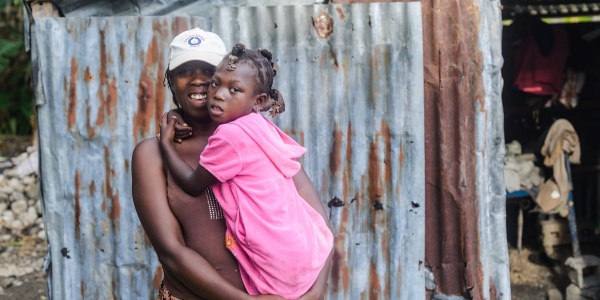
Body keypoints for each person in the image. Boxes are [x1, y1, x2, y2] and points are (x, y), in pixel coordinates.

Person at [131, 27, 333, 300]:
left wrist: (315, 293)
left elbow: (316, 222)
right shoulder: (152, 153)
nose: (198, 81)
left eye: (209, 72)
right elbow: (172, 252)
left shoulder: (257, 138)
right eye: (184, 72)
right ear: (170, 80)